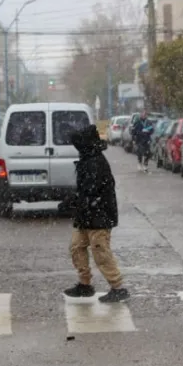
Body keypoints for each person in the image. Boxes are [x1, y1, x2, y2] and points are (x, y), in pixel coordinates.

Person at [62, 124, 129, 303]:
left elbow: (92, 191)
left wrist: (75, 202)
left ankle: (118, 287)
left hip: (99, 216)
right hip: (86, 215)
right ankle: (85, 284)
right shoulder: (87, 158)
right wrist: (74, 202)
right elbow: (84, 190)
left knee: (101, 251)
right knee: (76, 247)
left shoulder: (96, 162)